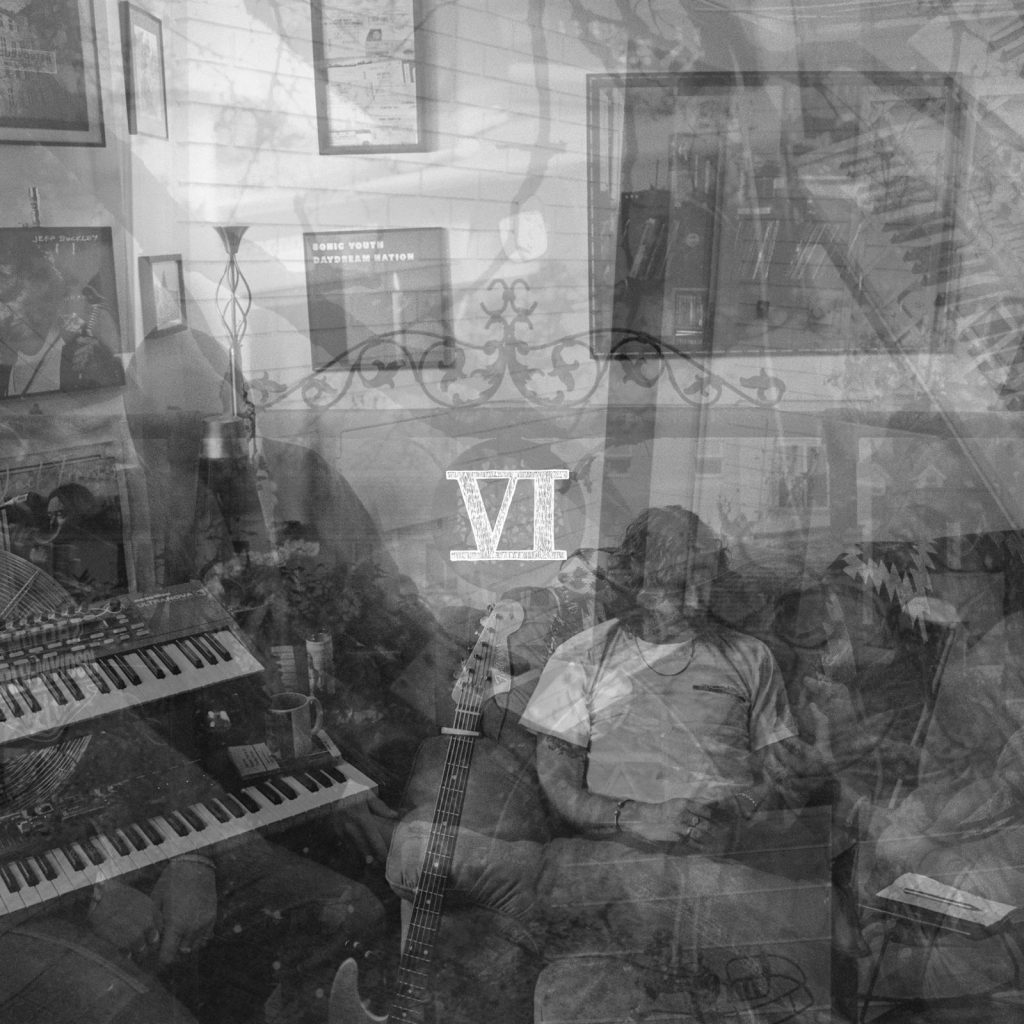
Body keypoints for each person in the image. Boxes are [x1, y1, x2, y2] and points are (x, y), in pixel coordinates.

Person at [520, 506, 816, 854]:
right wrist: (636, 817)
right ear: (638, 583)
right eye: (677, 588)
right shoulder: (579, 657)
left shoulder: (751, 657)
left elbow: (780, 779)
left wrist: (736, 814)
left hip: (727, 858)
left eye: (705, 585)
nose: (696, 602)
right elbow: (558, 789)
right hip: (618, 860)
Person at [0, 234, 125, 397]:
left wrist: (101, 363)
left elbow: (114, 385)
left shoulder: (82, 339)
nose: (4, 316)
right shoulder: (8, 349)